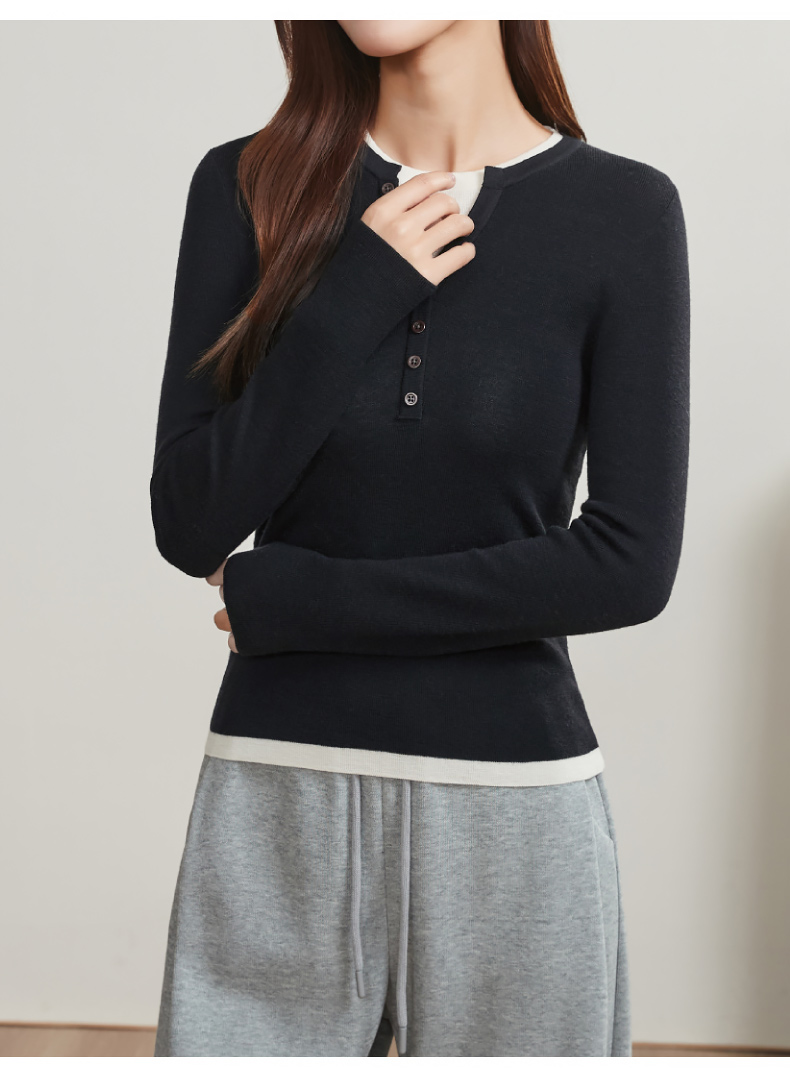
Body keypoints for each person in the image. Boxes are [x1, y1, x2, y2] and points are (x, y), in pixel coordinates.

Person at [150, 19, 690, 1057]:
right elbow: (190, 520)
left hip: (514, 812)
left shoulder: (624, 210)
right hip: (276, 795)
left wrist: (303, 604)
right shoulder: (246, 185)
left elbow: (627, 564)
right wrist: (355, 290)